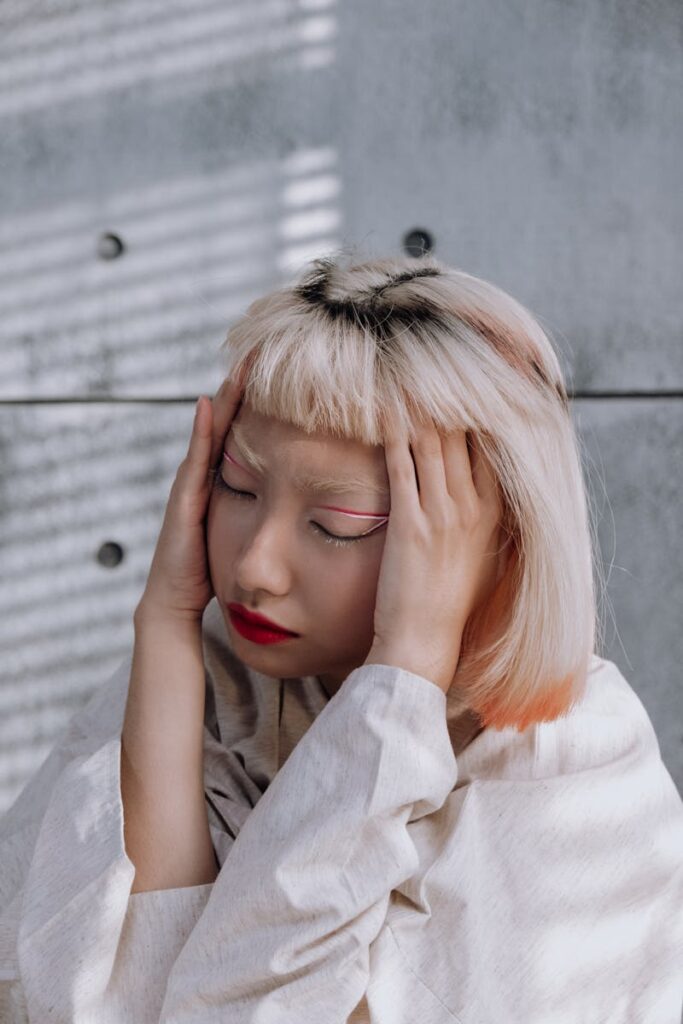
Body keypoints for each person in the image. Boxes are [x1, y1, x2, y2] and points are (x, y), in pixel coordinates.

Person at [1, 251, 681, 1022]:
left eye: (336, 525)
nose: (255, 568)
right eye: (236, 486)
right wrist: (163, 622)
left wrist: (402, 675)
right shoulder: (211, 677)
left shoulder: (575, 766)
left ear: (492, 540)